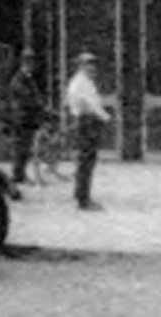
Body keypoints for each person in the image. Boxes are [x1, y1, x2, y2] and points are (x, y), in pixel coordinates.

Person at [64, 51, 110, 211]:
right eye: (89, 64)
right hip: (87, 121)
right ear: (81, 66)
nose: (92, 67)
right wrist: (105, 116)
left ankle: (81, 194)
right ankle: (83, 199)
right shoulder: (80, 83)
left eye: (93, 63)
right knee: (86, 160)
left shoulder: (85, 82)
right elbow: (89, 104)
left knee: (86, 160)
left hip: (88, 121)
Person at [3, 52, 48, 200]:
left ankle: (20, 174)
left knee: (24, 147)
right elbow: (26, 98)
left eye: (32, 63)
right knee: (20, 147)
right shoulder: (18, 80)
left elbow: (33, 96)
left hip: (27, 117)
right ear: (23, 63)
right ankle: (18, 175)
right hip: (21, 117)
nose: (31, 65)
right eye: (28, 62)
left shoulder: (28, 79)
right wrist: (39, 104)